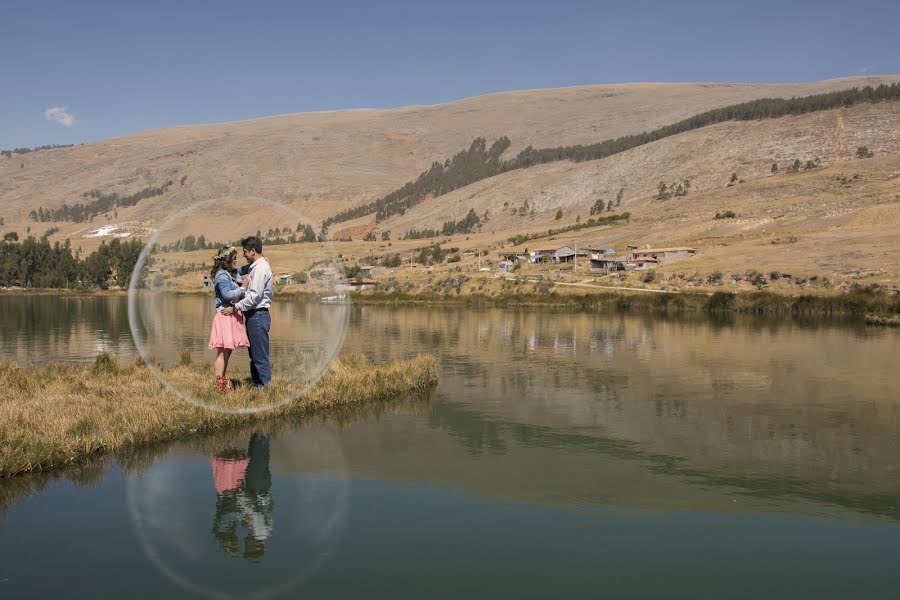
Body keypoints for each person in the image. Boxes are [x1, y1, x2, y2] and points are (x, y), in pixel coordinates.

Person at [222, 236, 273, 388]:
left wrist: (235, 308)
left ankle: (264, 386)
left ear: (252, 251)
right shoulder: (255, 266)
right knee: (255, 353)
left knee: (259, 354)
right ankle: (258, 383)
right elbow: (240, 270)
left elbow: (254, 296)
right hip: (254, 315)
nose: (243, 255)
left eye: (244, 252)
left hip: (258, 315)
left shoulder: (260, 268)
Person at [207, 246, 250, 393]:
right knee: (222, 351)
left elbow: (242, 269)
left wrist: (259, 262)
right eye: (234, 258)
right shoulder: (222, 276)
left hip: (231, 315)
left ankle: (222, 379)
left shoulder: (229, 273)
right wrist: (243, 288)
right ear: (228, 260)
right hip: (225, 315)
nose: (237, 260)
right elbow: (226, 295)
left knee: (228, 350)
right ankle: (219, 383)